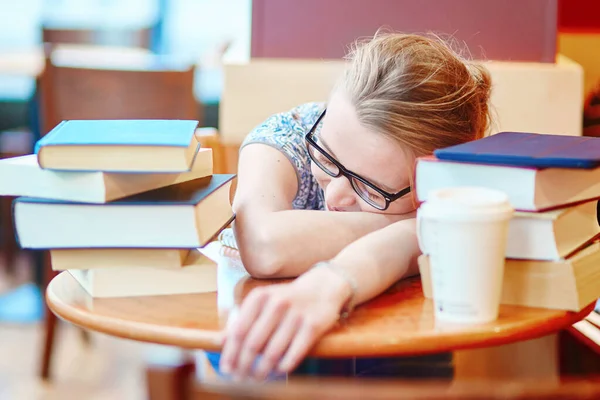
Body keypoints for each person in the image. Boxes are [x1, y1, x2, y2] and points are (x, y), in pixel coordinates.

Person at [218, 31, 492, 381]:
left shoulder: (467, 184)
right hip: (255, 346)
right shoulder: (290, 136)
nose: (334, 196)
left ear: (433, 182)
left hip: (399, 351)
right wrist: (419, 223)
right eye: (327, 156)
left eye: (369, 188)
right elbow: (265, 245)